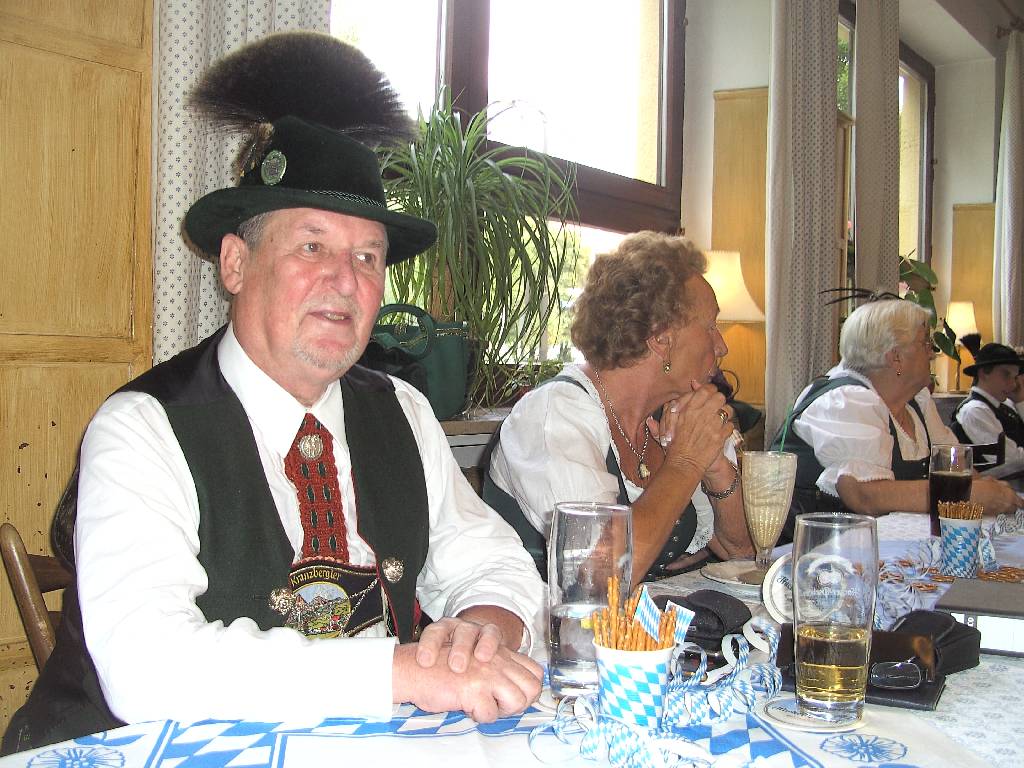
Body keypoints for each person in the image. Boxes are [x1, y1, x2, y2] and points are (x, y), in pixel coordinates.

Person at [2, 33, 543, 752]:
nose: (345, 280)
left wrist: (483, 632)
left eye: (368, 256)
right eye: (312, 246)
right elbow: (147, 665)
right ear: (235, 263)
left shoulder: (405, 412)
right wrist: (401, 672)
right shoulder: (143, 427)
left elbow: (492, 561)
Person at [485, 232, 753, 585]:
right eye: (710, 326)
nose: (721, 346)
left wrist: (715, 466)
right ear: (661, 338)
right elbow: (598, 577)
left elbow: (741, 552)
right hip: (543, 620)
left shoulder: (674, 411)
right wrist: (686, 462)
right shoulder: (554, 415)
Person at [770, 299, 1019, 534]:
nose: (932, 353)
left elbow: (956, 468)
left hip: (885, 548)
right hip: (809, 550)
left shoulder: (917, 403)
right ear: (896, 357)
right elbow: (863, 495)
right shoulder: (846, 401)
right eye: (925, 343)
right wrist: (962, 495)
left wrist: (992, 492)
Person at [951, 342, 1024, 465]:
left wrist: (1020, 402)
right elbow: (1012, 459)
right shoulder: (975, 410)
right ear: (984, 373)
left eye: (1015, 377)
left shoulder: (1007, 405)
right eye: (1006, 375)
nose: (1013, 384)